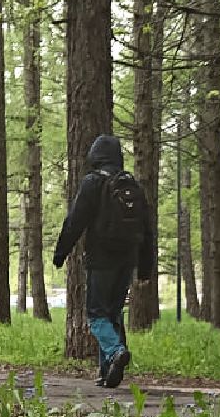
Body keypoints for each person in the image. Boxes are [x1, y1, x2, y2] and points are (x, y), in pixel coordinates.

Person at [52, 134, 156, 389]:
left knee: (97, 315)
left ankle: (116, 351)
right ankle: (107, 371)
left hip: (101, 260)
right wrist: (145, 268)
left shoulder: (93, 183)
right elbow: (147, 230)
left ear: (95, 156)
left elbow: (75, 220)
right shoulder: (133, 186)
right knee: (112, 313)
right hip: (127, 260)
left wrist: (61, 252)